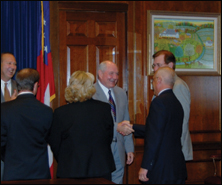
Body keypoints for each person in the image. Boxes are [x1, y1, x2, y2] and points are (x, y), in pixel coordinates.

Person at [48, 71, 115, 181]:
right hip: (100, 168)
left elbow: (55, 143)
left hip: (71, 168)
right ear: (91, 88)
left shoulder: (61, 112)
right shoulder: (104, 109)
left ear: (71, 87)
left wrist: (67, 158)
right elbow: (108, 137)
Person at [129, 67, 187, 183]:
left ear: (159, 80)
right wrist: (132, 127)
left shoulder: (159, 102)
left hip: (161, 169)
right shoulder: (176, 102)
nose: (153, 84)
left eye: (153, 80)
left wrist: (145, 166)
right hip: (176, 168)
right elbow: (161, 131)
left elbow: (154, 138)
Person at [1, 68, 53, 181]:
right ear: (35, 86)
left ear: (18, 85)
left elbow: (1, 143)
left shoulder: (4, 109)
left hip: (13, 172)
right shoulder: (47, 111)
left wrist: (10, 158)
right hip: (39, 173)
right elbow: (51, 139)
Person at [92, 61, 134, 184]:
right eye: (111, 73)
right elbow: (94, 123)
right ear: (100, 73)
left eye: (117, 74)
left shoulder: (121, 93)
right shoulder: (91, 93)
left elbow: (126, 121)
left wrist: (129, 148)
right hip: (100, 151)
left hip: (119, 149)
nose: (115, 77)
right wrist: (117, 127)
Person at [151, 50, 193, 161]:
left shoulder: (178, 86)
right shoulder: (163, 85)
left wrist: (176, 149)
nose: (155, 69)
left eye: (158, 65)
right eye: (154, 65)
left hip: (173, 151)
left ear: (170, 65)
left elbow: (182, 121)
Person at [1, 52, 18, 180]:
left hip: (15, 149)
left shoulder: (19, 87)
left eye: (15, 64)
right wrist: (9, 106)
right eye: (9, 63)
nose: (12, 67)